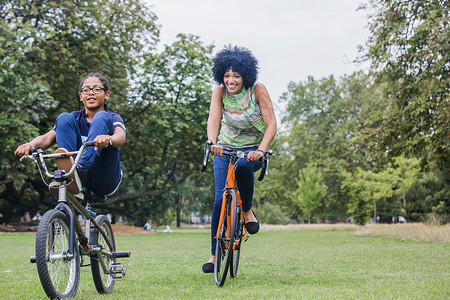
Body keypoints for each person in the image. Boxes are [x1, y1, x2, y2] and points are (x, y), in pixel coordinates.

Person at [202, 45, 277, 273]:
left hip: (253, 147)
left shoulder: (257, 90)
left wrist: (261, 151)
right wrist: (213, 143)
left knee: (244, 166)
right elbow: (214, 120)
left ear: (245, 75)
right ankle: (215, 256)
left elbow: (271, 124)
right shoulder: (220, 92)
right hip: (225, 147)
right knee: (218, 200)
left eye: (236, 75)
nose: (231, 80)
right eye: (226, 75)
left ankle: (245, 209)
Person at [15, 73, 126, 201]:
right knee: (64, 117)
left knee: (101, 116)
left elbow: (120, 137)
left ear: (106, 94)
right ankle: (71, 174)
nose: (91, 93)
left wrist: (109, 139)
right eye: (86, 90)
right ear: (81, 96)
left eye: (96, 89)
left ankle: (76, 172)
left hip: (104, 178)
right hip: (76, 178)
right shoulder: (74, 118)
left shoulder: (112, 118)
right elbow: (46, 139)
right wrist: (30, 145)